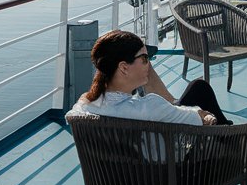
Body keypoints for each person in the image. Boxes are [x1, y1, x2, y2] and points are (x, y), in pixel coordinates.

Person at [68, 29, 232, 126]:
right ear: (124, 67)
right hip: (174, 175)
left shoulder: (84, 106)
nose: (149, 64)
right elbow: (202, 118)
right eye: (145, 59)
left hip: (120, 179)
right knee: (200, 90)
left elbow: (70, 116)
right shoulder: (151, 106)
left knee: (197, 88)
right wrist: (202, 114)